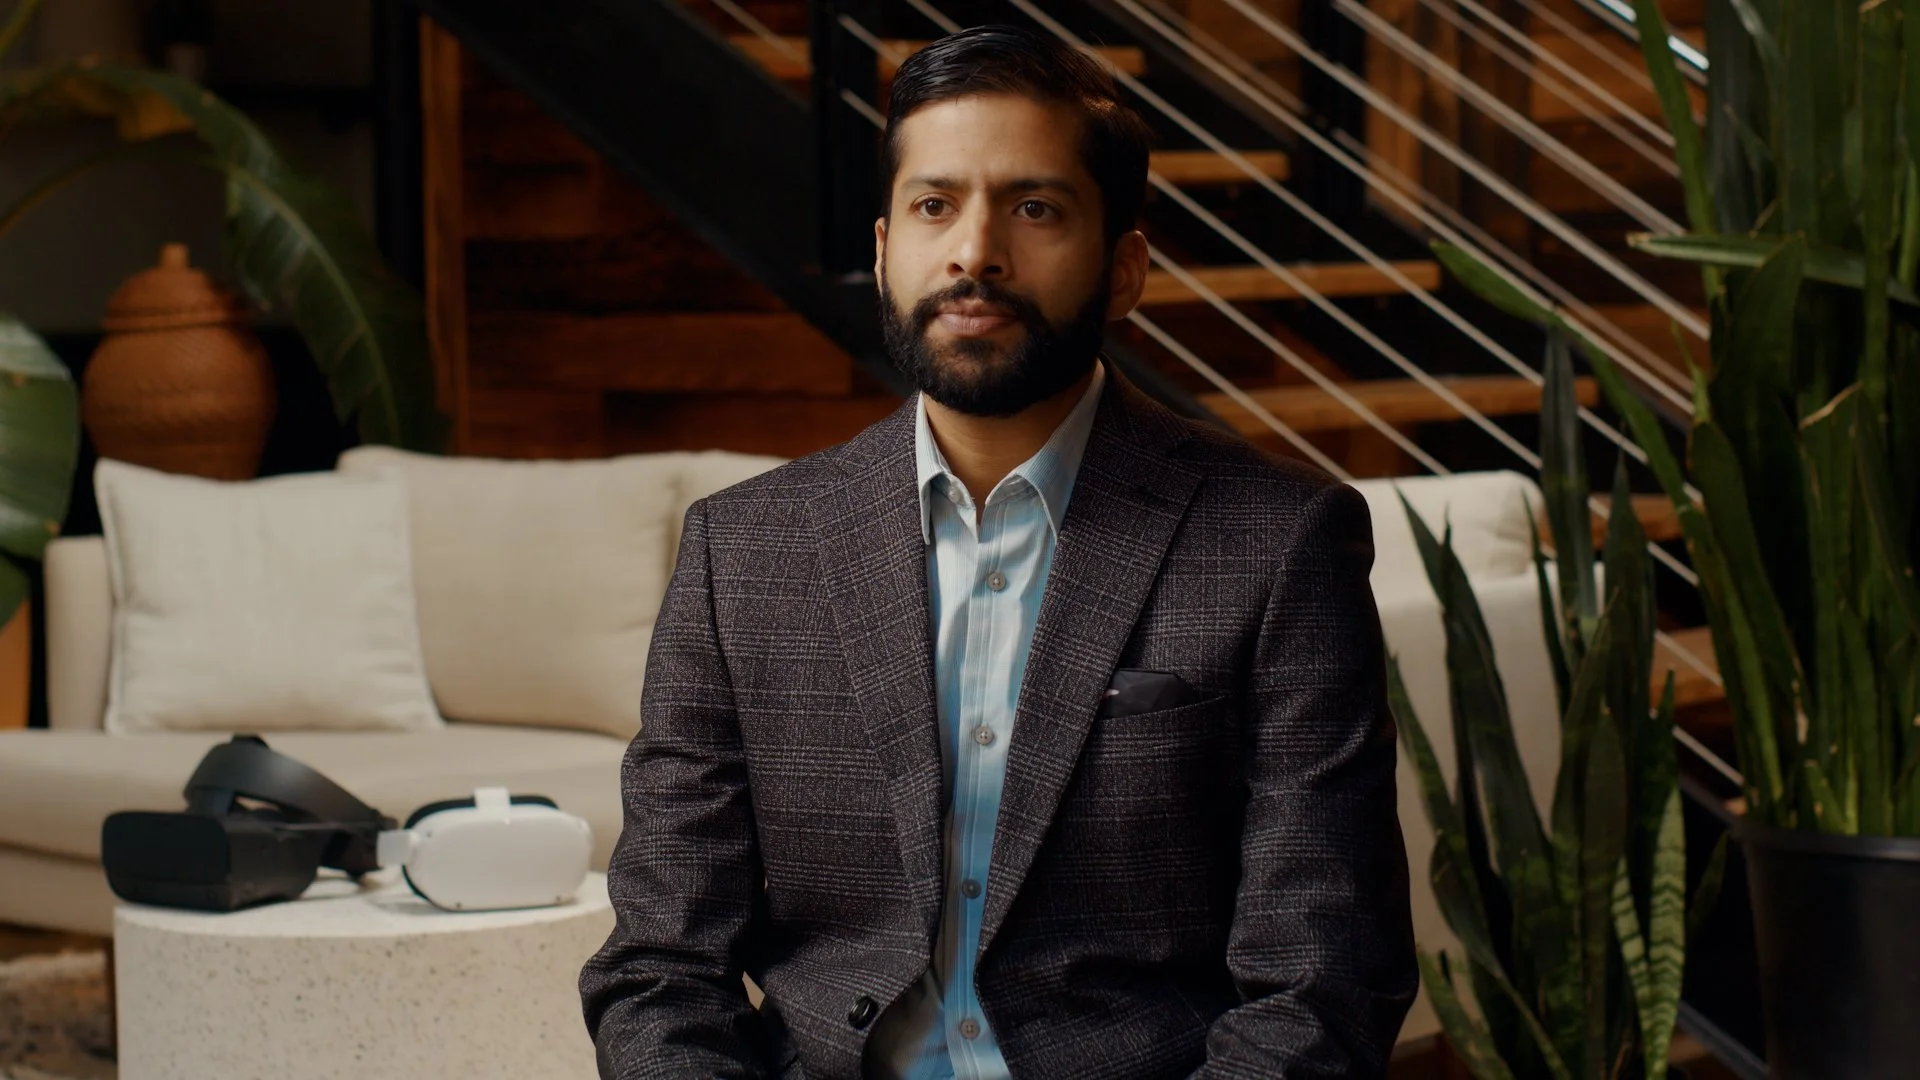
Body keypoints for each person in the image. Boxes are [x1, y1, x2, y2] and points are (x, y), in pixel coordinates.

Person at [580, 23, 1415, 1079]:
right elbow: (660, 968)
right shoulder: (742, 552)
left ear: (1124, 269)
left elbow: (1322, 983)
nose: (974, 252)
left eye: (1034, 208)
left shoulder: (1277, 542)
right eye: (934, 206)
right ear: (883, 251)